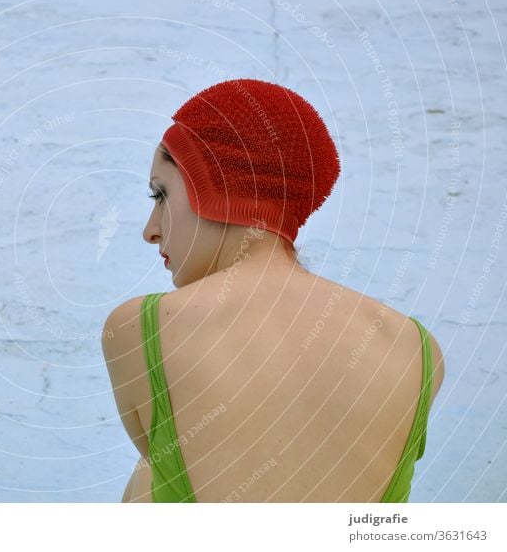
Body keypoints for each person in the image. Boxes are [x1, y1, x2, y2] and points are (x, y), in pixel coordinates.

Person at [101, 79, 445, 503]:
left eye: (160, 194)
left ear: (212, 185)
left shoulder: (141, 327)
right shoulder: (415, 347)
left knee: (147, 479)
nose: (150, 231)